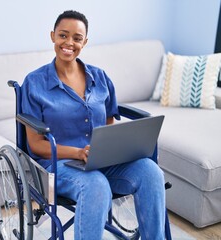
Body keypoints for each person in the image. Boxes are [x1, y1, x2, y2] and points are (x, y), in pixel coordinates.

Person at [21, 10, 166, 240]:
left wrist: (110, 149)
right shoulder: (35, 82)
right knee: (96, 185)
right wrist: (79, 152)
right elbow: (35, 145)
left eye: (77, 38)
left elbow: (109, 122)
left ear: (85, 42)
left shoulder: (100, 78)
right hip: (60, 165)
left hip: (101, 161)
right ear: (52, 36)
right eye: (63, 35)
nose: (69, 43)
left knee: (151, 172)